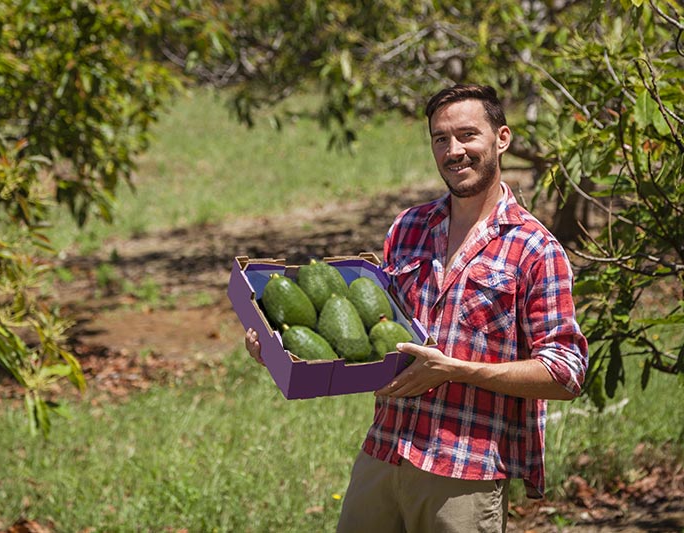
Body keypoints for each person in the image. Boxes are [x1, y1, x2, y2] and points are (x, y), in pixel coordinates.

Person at [244, 84, 588, 532]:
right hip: (384, 452)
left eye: (467, 135)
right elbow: (370, 334)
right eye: (440, 139)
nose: (454, 151)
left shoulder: (535, 249)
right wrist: (279, 345)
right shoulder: (408, 228)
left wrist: (458, 370)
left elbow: (566, 372)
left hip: (464, 472)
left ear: (502, 138)